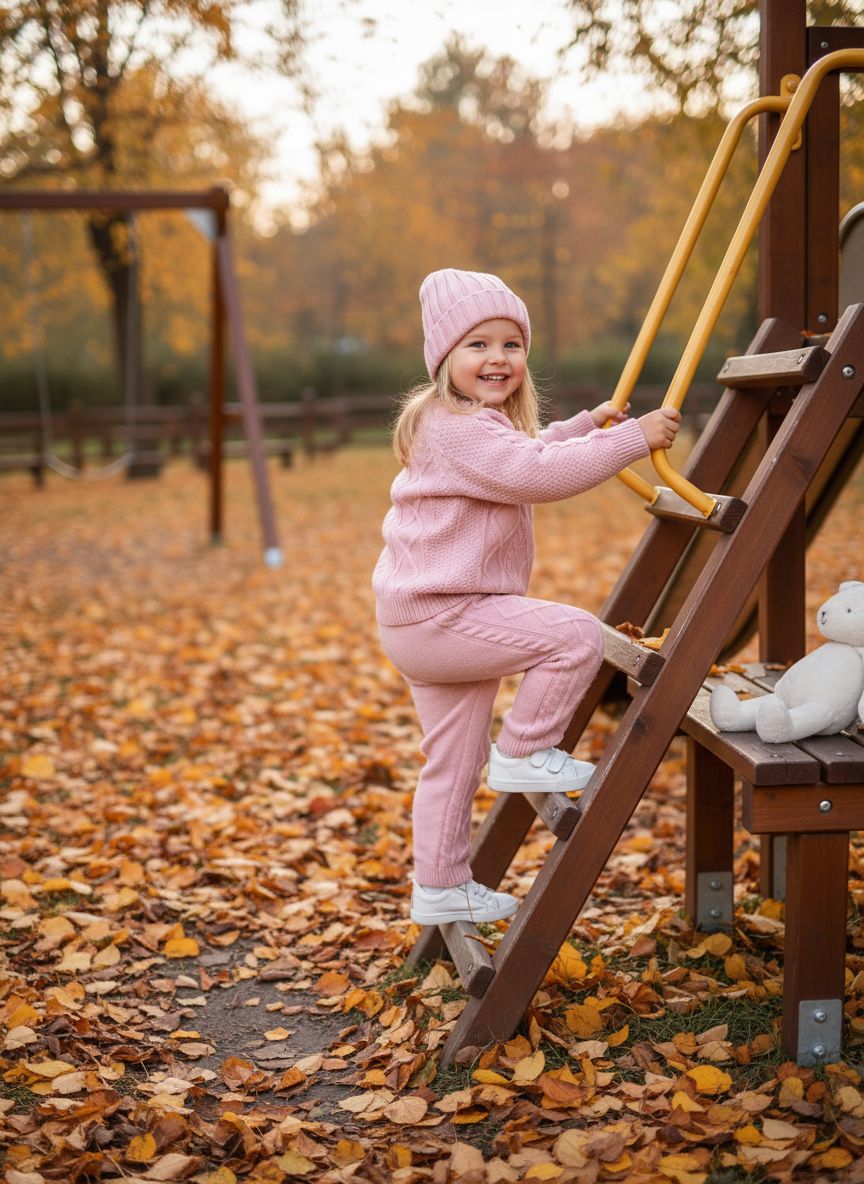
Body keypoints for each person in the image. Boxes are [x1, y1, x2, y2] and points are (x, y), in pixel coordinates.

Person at [373, 268, 680, 926]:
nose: (497, 359)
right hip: (446, 614)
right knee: (575, 636)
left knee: (451, 759)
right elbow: (532, 474)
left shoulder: (459, 424)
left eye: (511, 345)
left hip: (420, 619)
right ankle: (523, 753)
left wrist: (586, 425)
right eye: (477, 345)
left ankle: (441, 885)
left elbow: (527, 452)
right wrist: (632, 438)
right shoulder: (461, 428)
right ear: (444, 359)